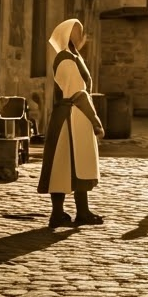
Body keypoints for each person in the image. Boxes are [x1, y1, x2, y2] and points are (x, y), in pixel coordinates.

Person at [37, 18, 105, 228]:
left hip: (76, 117)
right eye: (78, 31)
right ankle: (58, 213)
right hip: (70, 118)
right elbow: (78, 93)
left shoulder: (75, 57)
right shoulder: (66, 59)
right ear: (68, 35)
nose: (82, 34)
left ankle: (82, 211)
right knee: (62, 165)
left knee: (79, 163)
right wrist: (95, 120)